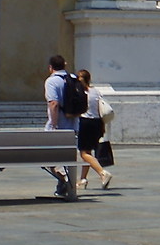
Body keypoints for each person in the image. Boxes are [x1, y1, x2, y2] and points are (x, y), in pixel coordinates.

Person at [42, 53, 87, 198]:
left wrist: (53, 125)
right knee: (67, 159)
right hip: (73, 125)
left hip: (59, 126)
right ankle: (63, 186)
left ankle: (65, 181)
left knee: (48, 158)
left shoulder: (51, 81)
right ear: (65, 65)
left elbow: (53, 103)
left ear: (50, 67)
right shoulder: (74, 78)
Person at [75, 68, 114, 190]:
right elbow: (99, 108)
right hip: (97, 123)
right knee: (88, 152)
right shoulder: (96, 91)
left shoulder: (80, 93)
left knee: (84, 153)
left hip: (85, 123)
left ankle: (102, 173)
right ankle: (83, 179)